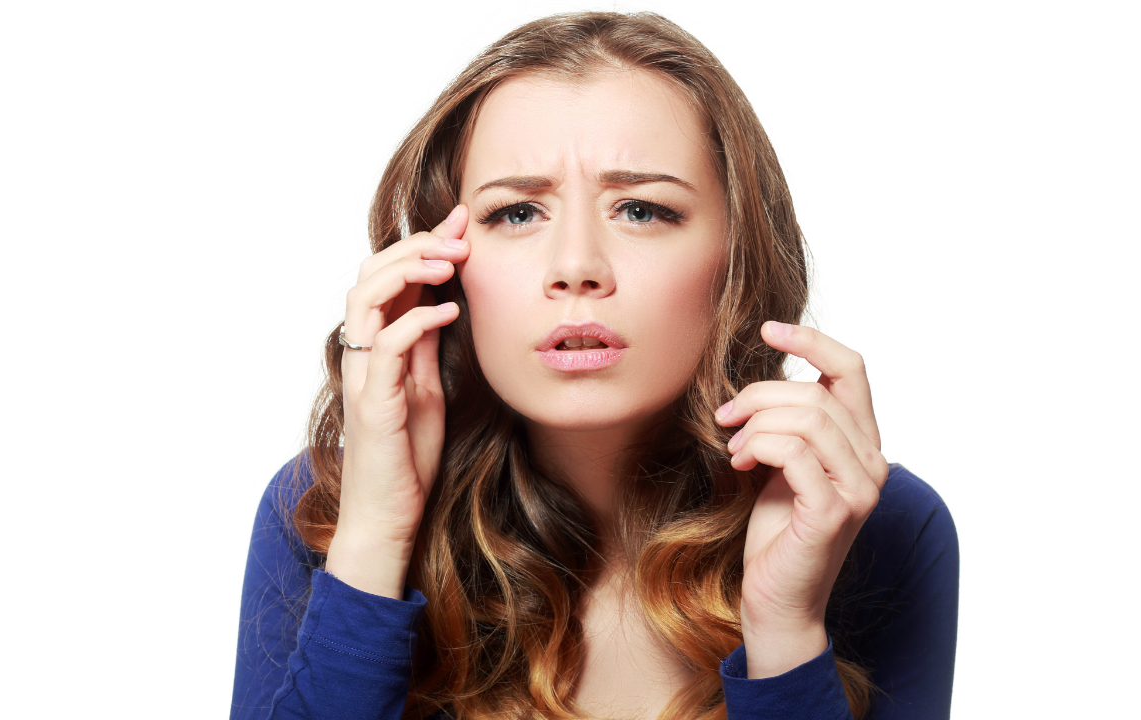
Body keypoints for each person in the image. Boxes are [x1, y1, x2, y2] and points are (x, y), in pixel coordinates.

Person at [231, 11, 958, 720]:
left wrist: (785, 633)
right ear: (442, 265)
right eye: (516, 213)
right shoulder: (322, 509)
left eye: (641, 209)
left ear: (738, 255)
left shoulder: (877, 524)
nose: (576, 266)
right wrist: (375, 539)